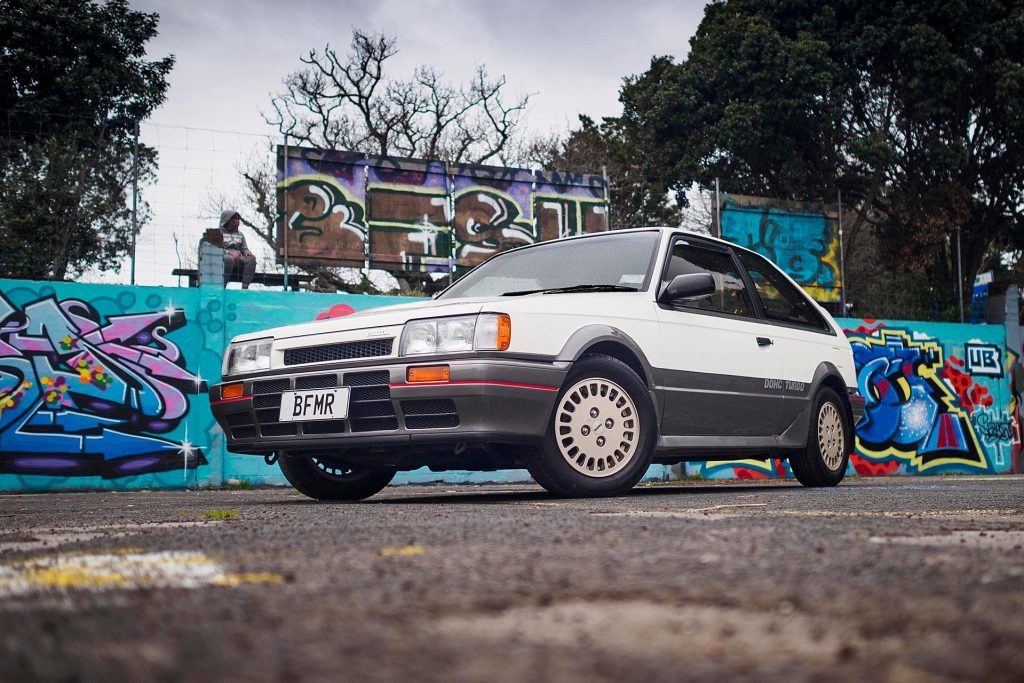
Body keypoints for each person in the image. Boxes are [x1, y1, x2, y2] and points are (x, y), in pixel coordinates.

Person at [219, 209, 256, 289]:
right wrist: (229, 253)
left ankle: (245, 287)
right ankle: (223, 286)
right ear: (227, 220)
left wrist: (247, 252)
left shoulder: (240, 234)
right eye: (234, 218)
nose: (237, 221)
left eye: (237, 218)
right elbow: (216, 249)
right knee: (228, 259)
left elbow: (244, 248)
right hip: (224, 258)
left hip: (239, 258)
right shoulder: (217, 233)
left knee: (251, 259)